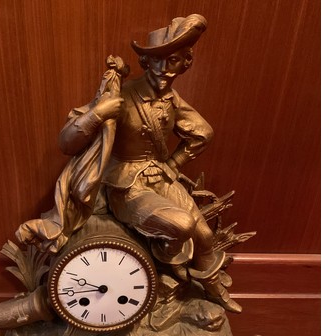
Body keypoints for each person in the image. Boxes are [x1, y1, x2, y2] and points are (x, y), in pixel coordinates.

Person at [19, 14, 241, 313]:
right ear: (146, 63)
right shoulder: (122, 96)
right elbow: (66, 143)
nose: (164, 69)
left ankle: (210, 288)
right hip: (127, 186)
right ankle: (168, 270)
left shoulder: (172, 100)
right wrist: (97, 113)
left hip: (161, 180)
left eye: (173, 61)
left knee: (204, 236)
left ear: (185, 63)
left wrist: (174, 164)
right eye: (157, 61)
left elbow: (203, 133)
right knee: (183, 224)